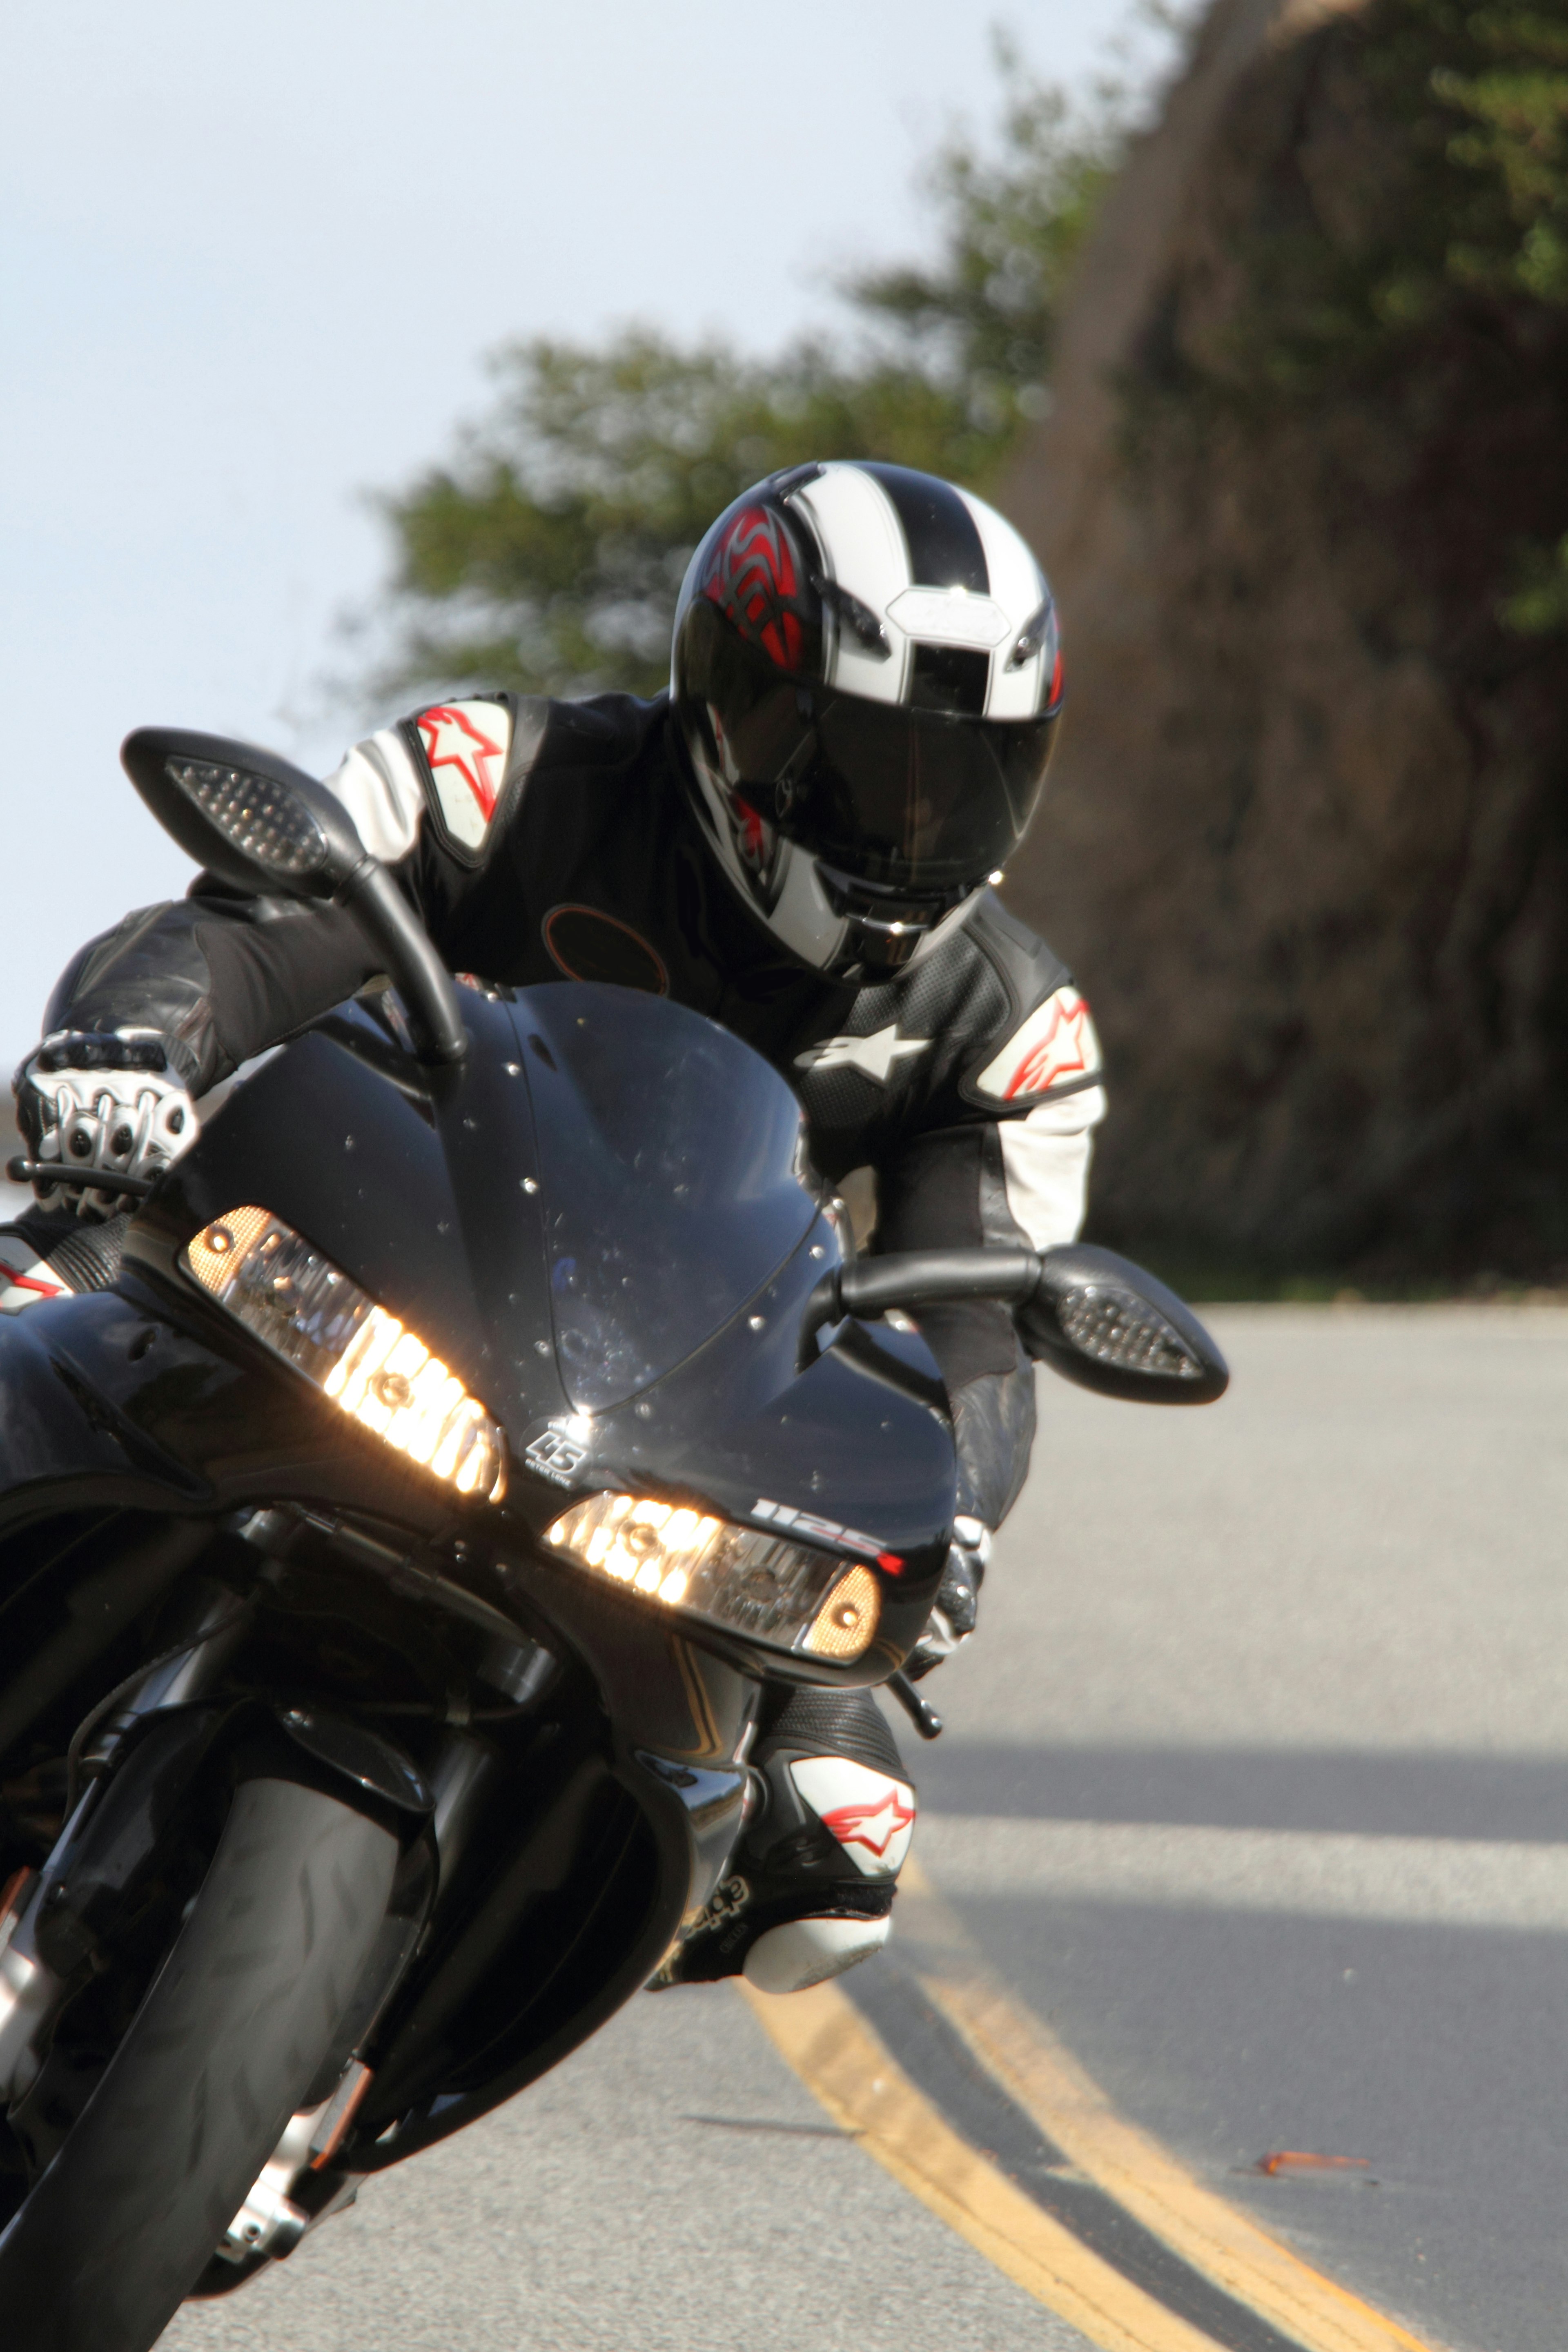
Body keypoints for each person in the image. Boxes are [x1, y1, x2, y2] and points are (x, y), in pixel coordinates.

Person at [6, 461, 1105, 1993]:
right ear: (733, 702)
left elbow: (972, 1319)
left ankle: (368, 2038)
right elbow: (250, 937)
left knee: (833, 1857)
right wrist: (133, 1052)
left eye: (961, 780)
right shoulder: (499, 776)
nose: (907, 824)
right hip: (361, 1261)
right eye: (857, 762)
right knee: (19, 1300)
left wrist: (958, 1511)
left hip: (672, 1429)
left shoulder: (1006, 1025)